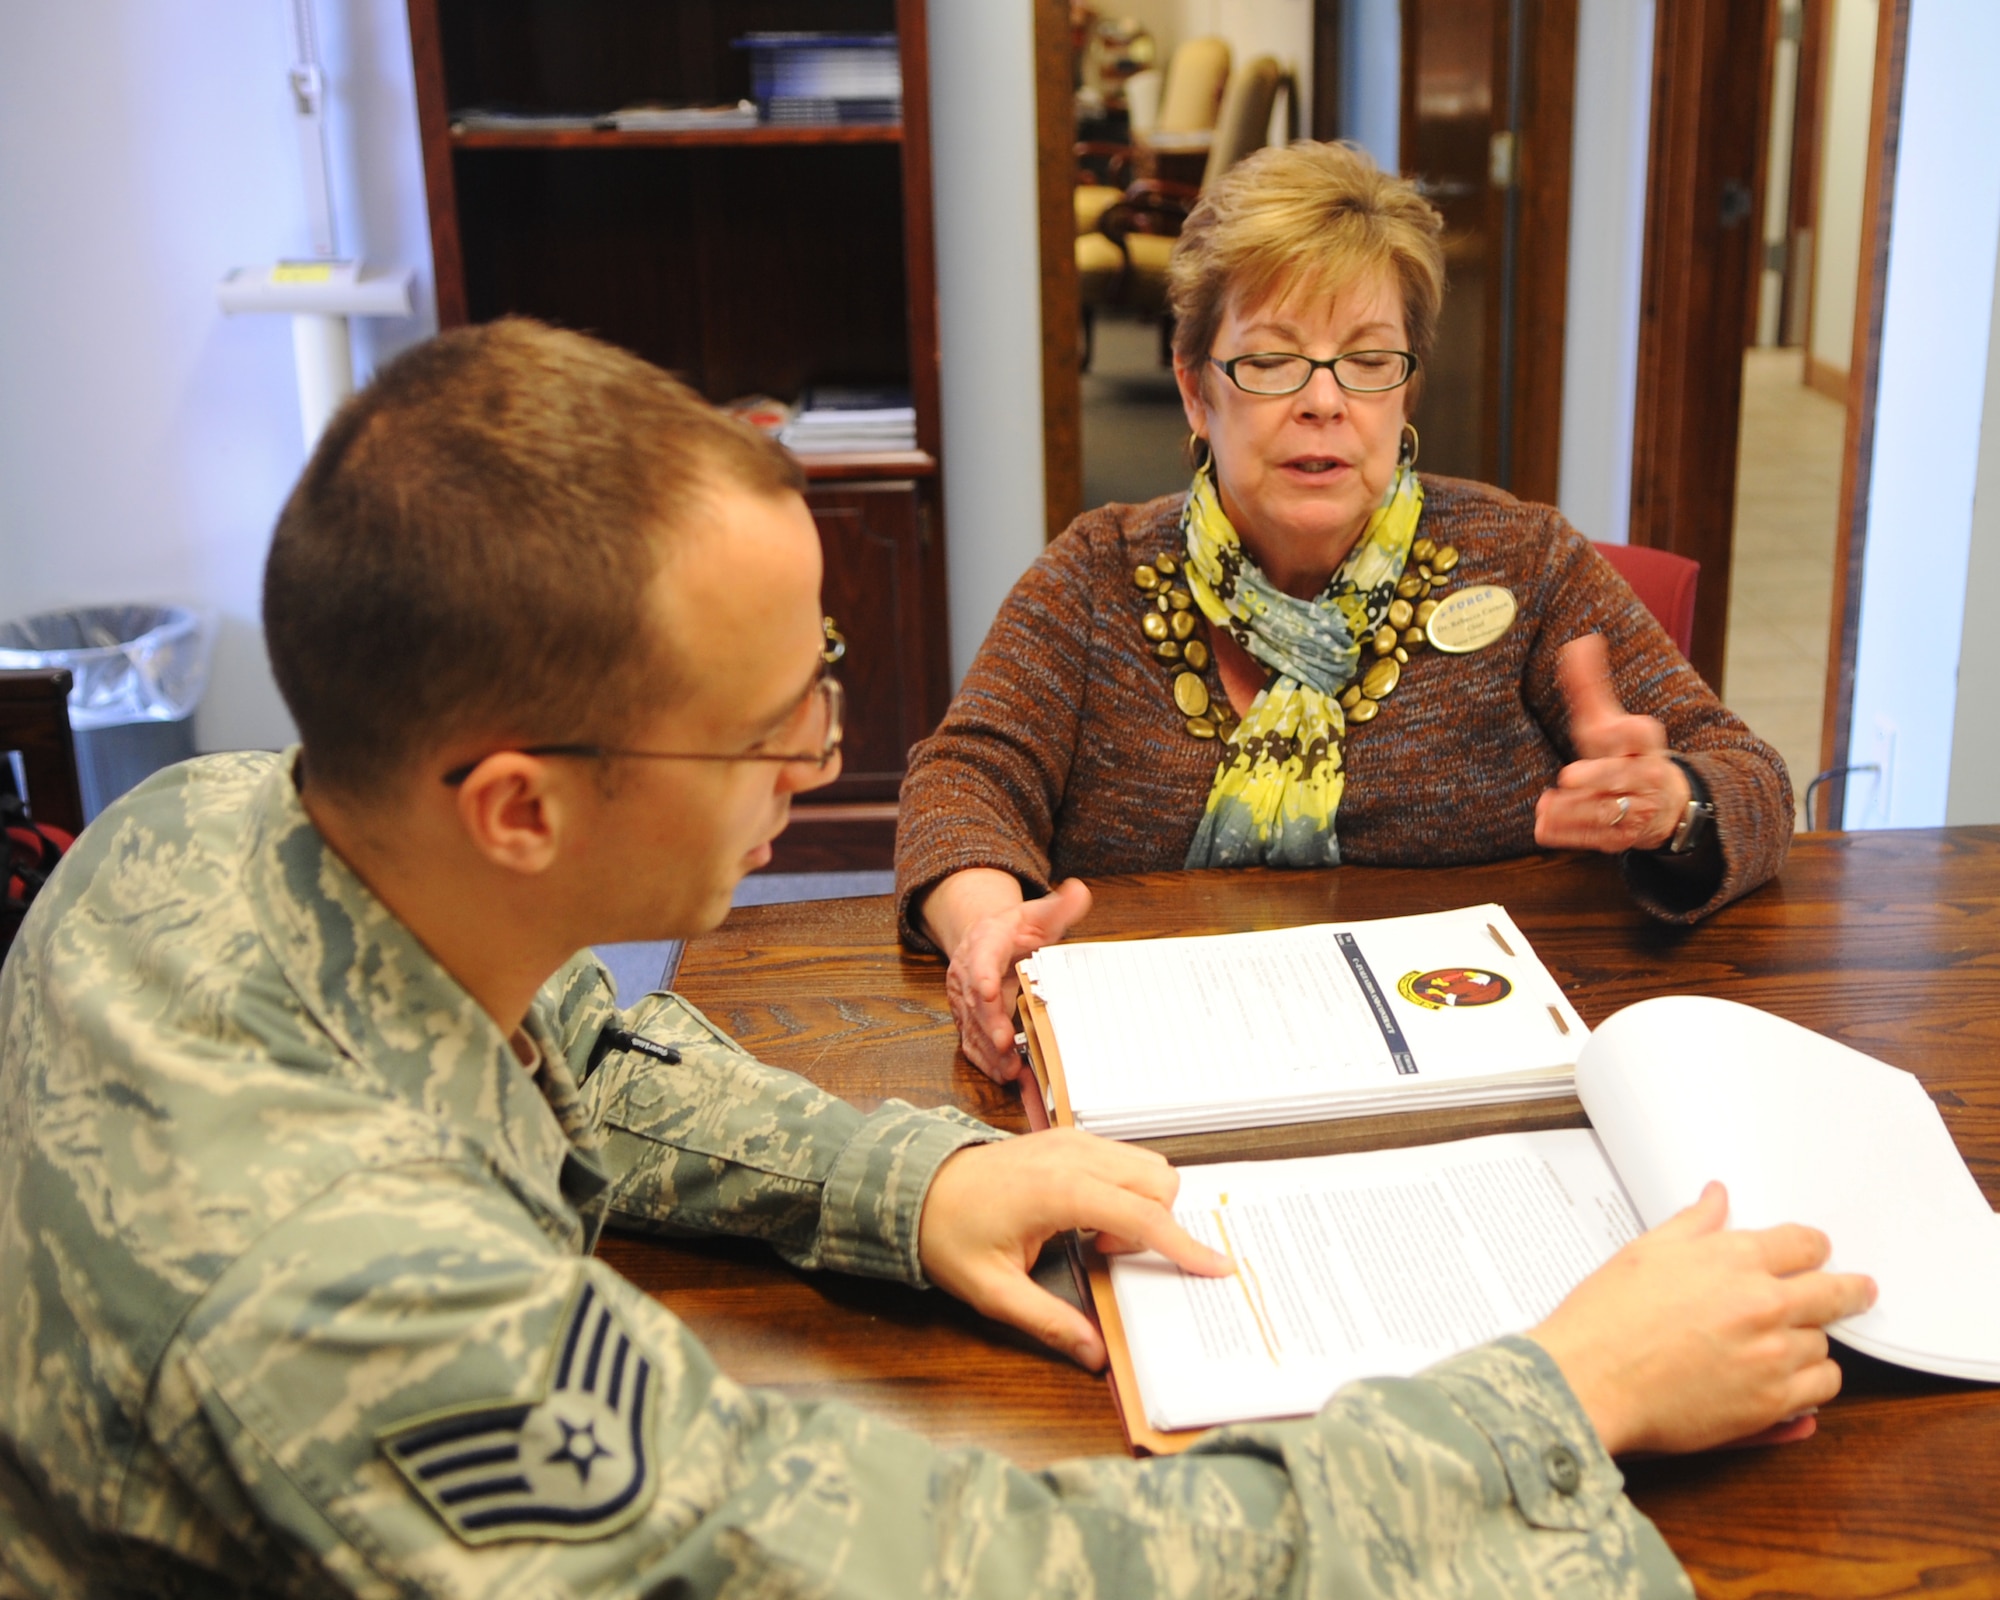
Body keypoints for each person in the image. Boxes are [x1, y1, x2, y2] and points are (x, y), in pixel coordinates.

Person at [0, 320, 1870, 1597]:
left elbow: (571, 1041)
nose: (825, 755)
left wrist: (924, 1175)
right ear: (515, 807)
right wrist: (1562, 1395)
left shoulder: (218, 816)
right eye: (772, 728)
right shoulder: (361, 1310)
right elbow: (990, 1569)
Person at [895, 141, 1794, 1081]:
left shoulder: (1522, 561)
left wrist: (1676, 805)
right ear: (1195, 389)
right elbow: (964, 782)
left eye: (1366, 361)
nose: (1325, 402)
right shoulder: (1097, 575)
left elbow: (1753, 779)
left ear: (1406, 386)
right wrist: (987, 924)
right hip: (1165, 1071)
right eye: (1273, 362)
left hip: (1467, 1068)